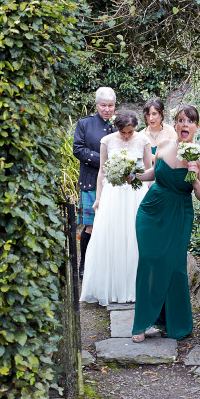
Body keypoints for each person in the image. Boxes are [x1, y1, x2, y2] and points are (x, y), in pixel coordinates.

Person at [129, 104, 200, 342]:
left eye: (190, 121)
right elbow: (153, 173)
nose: (185, 124)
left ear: (197, 126)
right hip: (151, 210)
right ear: (175, 124)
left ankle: (173, 323)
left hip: (179, 212)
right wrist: (133, 175)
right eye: (181, 120)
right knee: (148, 262)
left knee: (175, 266)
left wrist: (194, 176)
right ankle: (142, 324)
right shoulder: (164, 146)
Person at [79, 110, 152, 306]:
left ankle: (136, 287)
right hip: (113, 194)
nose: (127, 136)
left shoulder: (144, 140)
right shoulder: (107, 141)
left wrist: (147, 190)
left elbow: (149, 170)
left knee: (135, 236)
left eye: (130, 132)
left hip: (136, 192)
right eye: (123, 132)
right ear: (117, 128)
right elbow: (102, 171)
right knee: (113, 236)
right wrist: (99, 198)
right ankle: (112, 288)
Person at [72, 87, 116, 277]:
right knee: (90, 227)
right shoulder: (85, 124)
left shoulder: (118, 125)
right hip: (90, 181)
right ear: (97, 104)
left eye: (111, 106)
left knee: (110, 226)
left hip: (114, 183)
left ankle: (104, 267)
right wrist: (104, 159)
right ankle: (84, 266)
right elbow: (78, 150)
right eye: (103, 105)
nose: (107, 109)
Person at [138, 97, 177, 166]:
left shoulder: (170, 131)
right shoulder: (141, 135)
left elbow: (175, 157)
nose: (151, 118)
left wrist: (151, 156)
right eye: (148, 114)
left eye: (154, 114)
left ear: (162, 113)